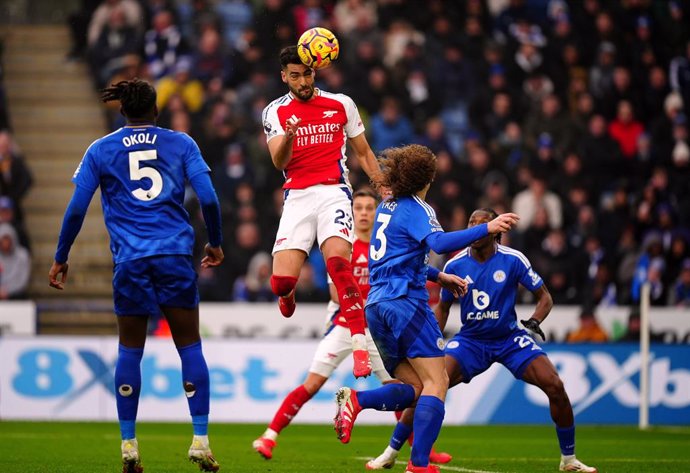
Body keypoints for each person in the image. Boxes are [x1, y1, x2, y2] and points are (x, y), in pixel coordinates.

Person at [48, 79, 224, 473]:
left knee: (130, 349)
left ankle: (129, 446)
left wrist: (61, 256)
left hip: (130, 260)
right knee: (189, 347)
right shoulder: (182, 143)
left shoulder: (100, 149)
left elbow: (76, 209)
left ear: (122, 110)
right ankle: (200, 441)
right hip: (175, 256)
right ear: (156, 110)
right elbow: (209, 198)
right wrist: (214, 242)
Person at [332, 145, 519, 473]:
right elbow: (438, 244)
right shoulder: (418, 208)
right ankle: (418, 465)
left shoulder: (387, 207)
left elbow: (395, 258)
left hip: (376, 307)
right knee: (438, 382)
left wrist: (439, 276)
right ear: (428, 177)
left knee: (415, 389)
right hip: (406, 303)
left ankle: (357, 400)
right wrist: (487, 228)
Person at [367, 208, 597, 473]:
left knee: (555, 385)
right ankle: (391, 451)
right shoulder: (454, 265)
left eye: (482, 223)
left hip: (509, 338)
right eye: (471, 223)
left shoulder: (513, 260)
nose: (475, 227)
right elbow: (443, 308)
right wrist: (429, 342)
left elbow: (545, 297)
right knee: (429, 387)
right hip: (471, 341)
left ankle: (569, 460)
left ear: (496, 229)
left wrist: (535, 320)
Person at [252, 188, 452, 464]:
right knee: (312, 384)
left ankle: (419, 450)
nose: (364, 213)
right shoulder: (340, 246)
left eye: (370, 208)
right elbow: (337, 295)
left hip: (377, 328)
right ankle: (269, 436)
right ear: (351, 212)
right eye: (358, 208)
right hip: (344, 326)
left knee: (404, 387)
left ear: (376, 212)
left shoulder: (383, 245)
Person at [261, 45, 384, 379]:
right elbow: (278, 161)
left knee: (339, 265)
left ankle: (360, 347)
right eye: (296, 75)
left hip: (333, 191)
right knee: (281, 281)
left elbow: (363, 151)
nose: (303, 81)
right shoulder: (274, 111)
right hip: (297, 195)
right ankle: (287, 295)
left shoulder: (341, 104)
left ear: (316, 71)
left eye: (308, 74)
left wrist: (381, 185)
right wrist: (289, 136)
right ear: (284, 76)